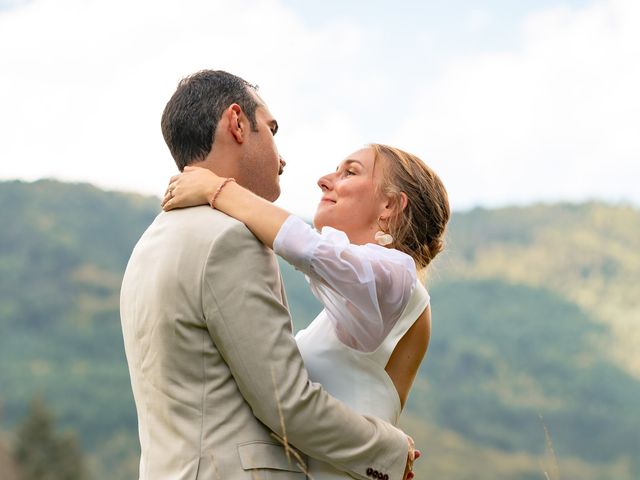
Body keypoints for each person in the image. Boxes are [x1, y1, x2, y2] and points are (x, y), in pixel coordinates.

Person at [120, 70, 417, 480]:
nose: (282, 158)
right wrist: (389, 451)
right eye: (272, 129)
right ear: (237, 123)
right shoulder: (229, 239)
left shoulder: (149, 244)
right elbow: (286, 404)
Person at [162, 140, 450, 479]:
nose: (325, 180)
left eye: (349, 172)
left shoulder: (397, 279)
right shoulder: (362, 302)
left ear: (389, 205)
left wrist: (217, 189)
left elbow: (307, 248)